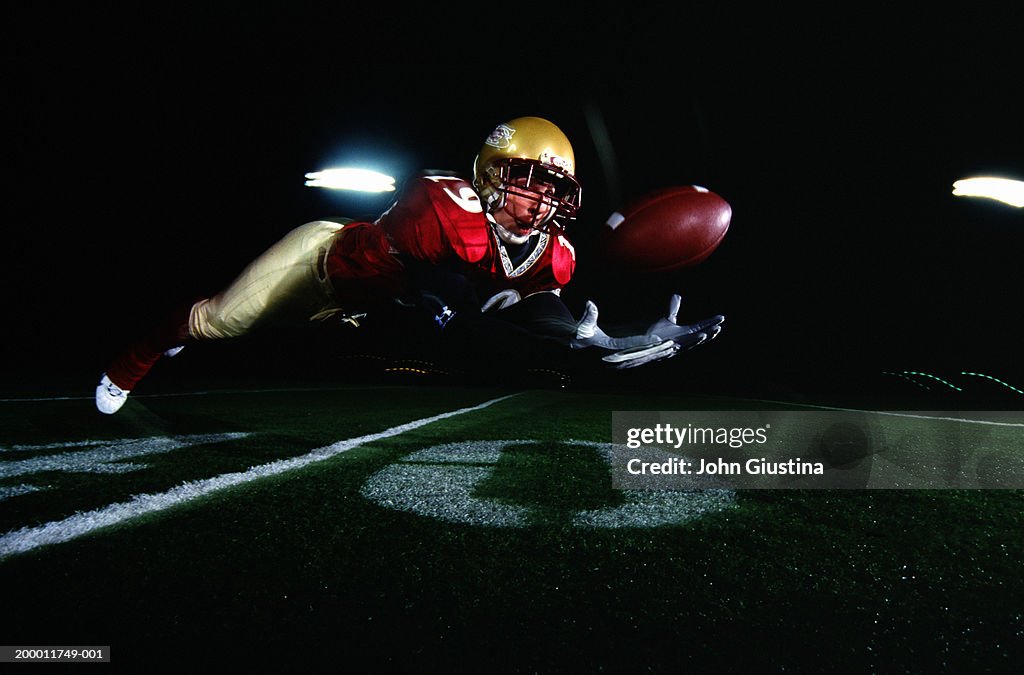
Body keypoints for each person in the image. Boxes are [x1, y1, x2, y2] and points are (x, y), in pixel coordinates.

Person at [95, 116, 724, 414]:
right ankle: (138, 360)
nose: (539, 200)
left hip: (365, 308)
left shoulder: (554, 254)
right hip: (322, 265)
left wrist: (609, 339)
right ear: (489, 176)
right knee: (218, 323)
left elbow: (538, 309)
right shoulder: (441, 205)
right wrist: (493, 319)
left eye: (553, 190)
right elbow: (443, 290)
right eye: (527, 182)